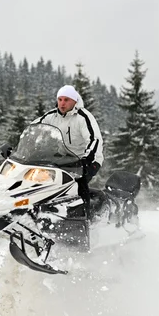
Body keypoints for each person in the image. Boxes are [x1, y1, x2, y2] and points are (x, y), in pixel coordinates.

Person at [32, 85, 104, 218]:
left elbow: (95, 139)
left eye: (66, 100)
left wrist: (86, 159)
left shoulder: (83, 117)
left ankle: (86, 219)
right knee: (42, 182)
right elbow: (33, 129)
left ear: (75, 101)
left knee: (78, 184)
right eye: (60, 99)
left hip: (87, 159)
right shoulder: (52, 116)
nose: (62, 103)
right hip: (64, 159)